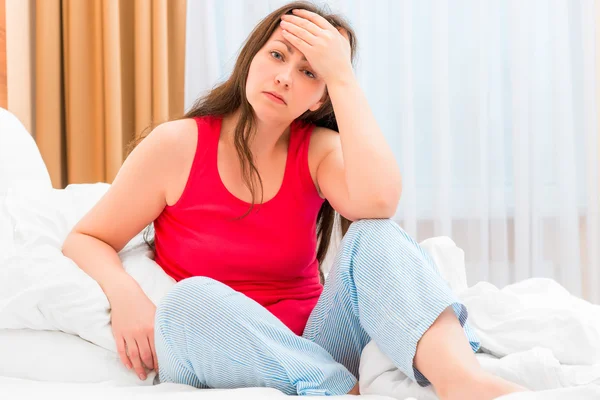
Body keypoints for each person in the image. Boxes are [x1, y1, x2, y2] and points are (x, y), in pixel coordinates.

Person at [62, 1, 528, 399]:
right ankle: (343, 391)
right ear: (251, 59)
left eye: (310, 72)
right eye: (278, 55)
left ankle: (464, 383)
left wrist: (343, 77)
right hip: (223, 348)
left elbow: (380, 201)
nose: (285, 77)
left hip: (316, 343)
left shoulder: (317, 148)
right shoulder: (177, 145)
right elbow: (86, 237)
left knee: (375, 232)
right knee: (189, 300)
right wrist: (127, 297)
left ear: (320, 96)